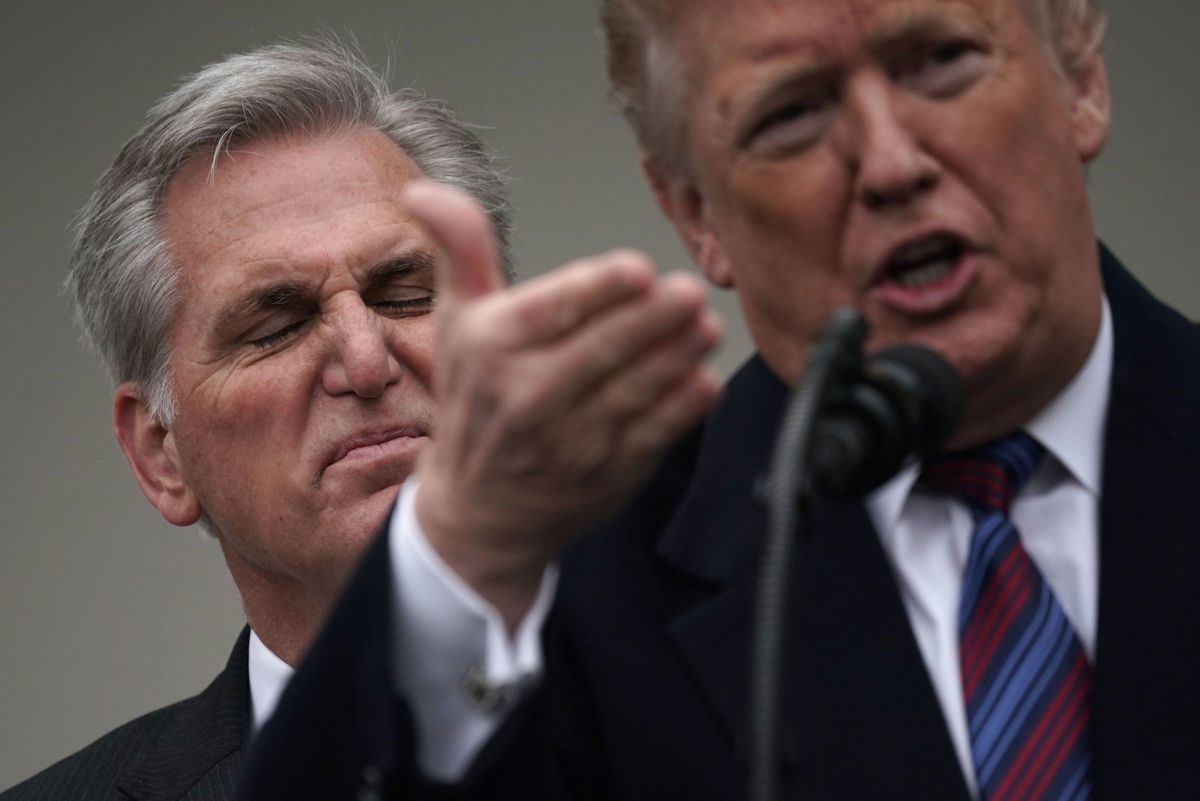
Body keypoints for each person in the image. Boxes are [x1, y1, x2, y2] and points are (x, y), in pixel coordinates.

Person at [240, 0, 1200, 799]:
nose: (893, 160)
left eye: (941, 61)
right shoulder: (583, 589)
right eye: (792, 115)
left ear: (1081, 77)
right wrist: (462, 554)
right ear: (695, 214)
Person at [4, 37, 718, 801]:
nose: (367, 361)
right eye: (275, 325)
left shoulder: (758, 698)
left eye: (406, 292)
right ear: (160, 455)